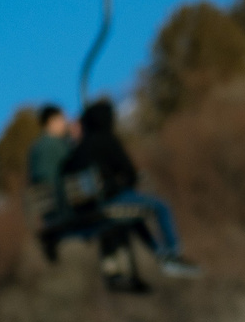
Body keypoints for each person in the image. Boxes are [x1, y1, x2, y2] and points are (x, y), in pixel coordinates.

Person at [55, 99, 200, 277]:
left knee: (134, 214)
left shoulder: (78, 149)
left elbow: (66, 173)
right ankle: (173, 253)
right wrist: (123, 183)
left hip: (85, 208)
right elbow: (129, 173)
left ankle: (159, 254)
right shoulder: (107, 140)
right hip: (108, 201)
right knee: (161, 206)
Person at [24, 103, 73, 219]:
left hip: (45, 209)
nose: (65, 123)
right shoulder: (57, 144)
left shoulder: (35, 148)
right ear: (52, 121)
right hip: (62, 204)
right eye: (62, 119)